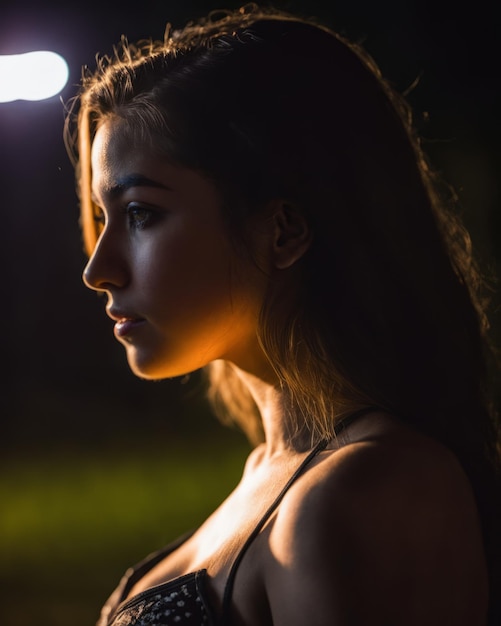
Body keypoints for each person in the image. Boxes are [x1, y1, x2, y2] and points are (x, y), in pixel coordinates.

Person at [64, 4, 501, 625]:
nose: (97, 269)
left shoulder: (369, 490)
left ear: (283, 229)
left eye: (140, 214)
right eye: (103, 219)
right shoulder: (276, 474)